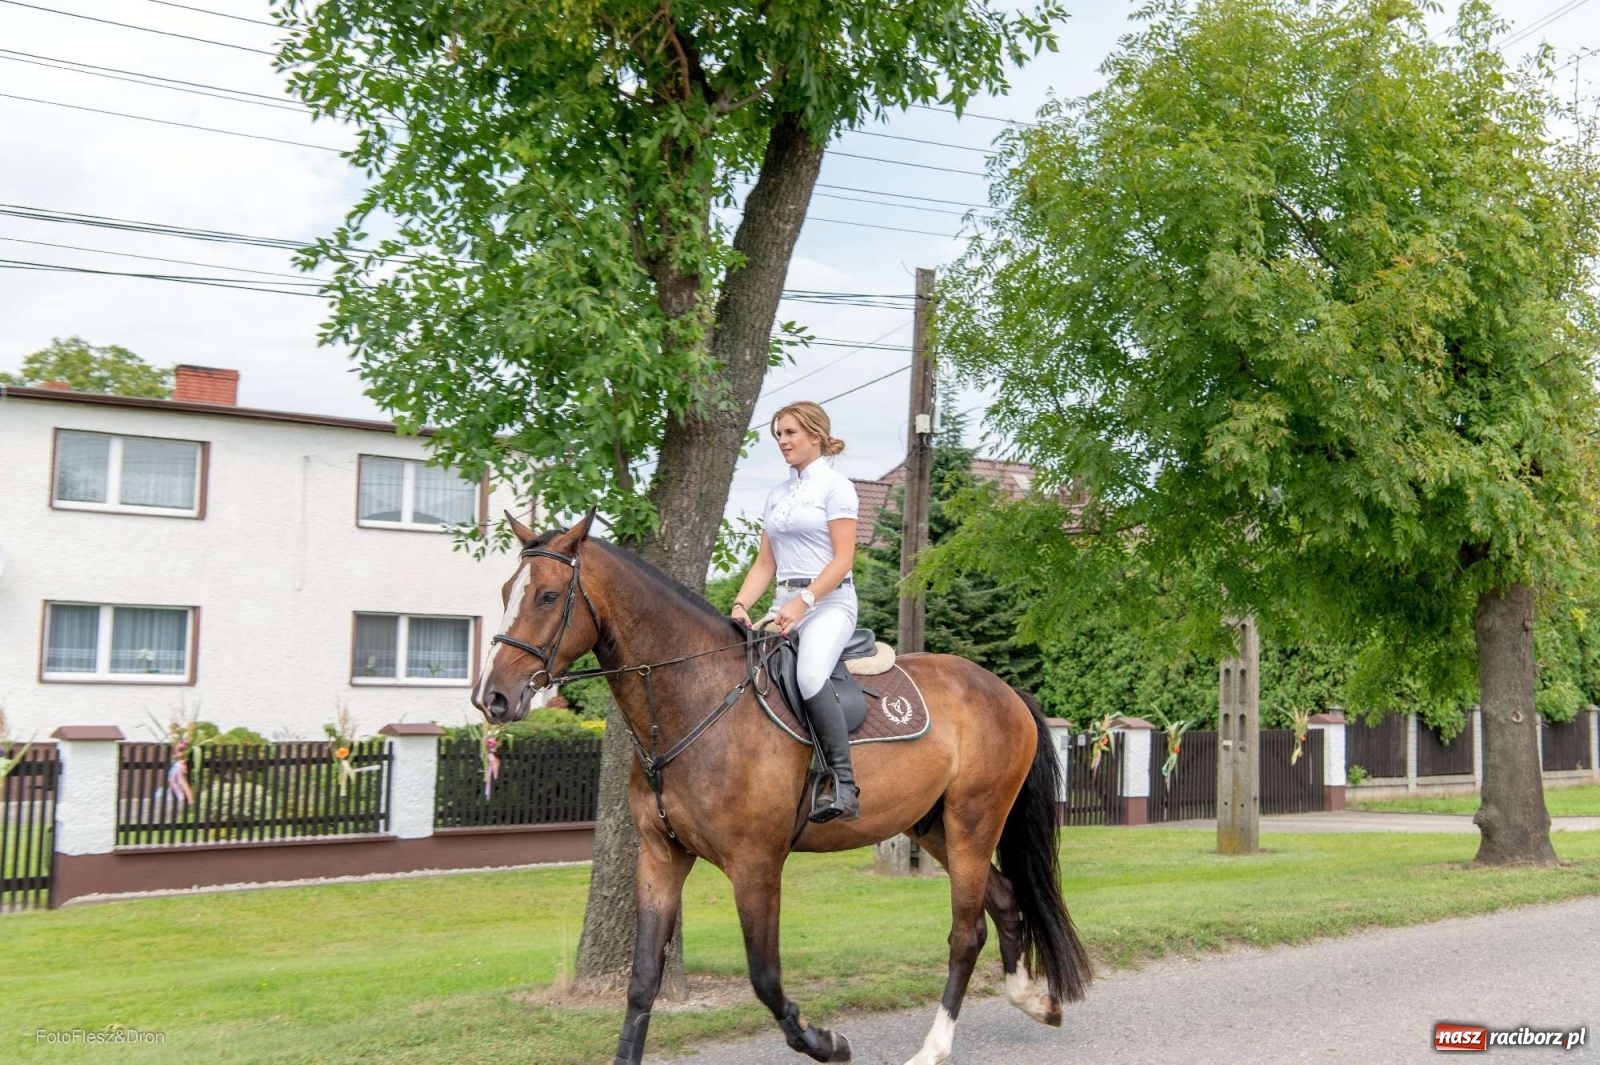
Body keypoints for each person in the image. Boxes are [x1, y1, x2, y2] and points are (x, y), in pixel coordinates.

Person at [731, 401, 861, 822]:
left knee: (808, 674)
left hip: (829, 603)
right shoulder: (777, 494)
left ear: (814, 436)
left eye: (789, 433)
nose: (782, 442)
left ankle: (842, 783)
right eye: (779, 435)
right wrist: (739, 605)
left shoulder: (836, 487)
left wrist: (803, 602)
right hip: (782, 603)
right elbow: (765, 564)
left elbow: (842, 559)